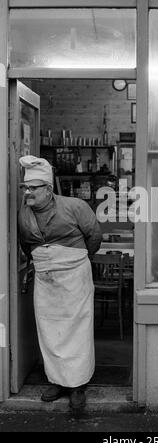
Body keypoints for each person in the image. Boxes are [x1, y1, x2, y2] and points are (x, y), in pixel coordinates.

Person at [18, 155, 102, 411]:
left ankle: (77, 385)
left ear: (48, 189)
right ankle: (57, 380)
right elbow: (26, 244)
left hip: (74, 275)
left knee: (76, 328)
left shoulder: (75, 206)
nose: (28, 192)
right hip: (45, 278)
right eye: (26, 188)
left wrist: (71, 260)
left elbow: (94, 237)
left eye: (33, 188)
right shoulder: (23, 212)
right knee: (49, 328)